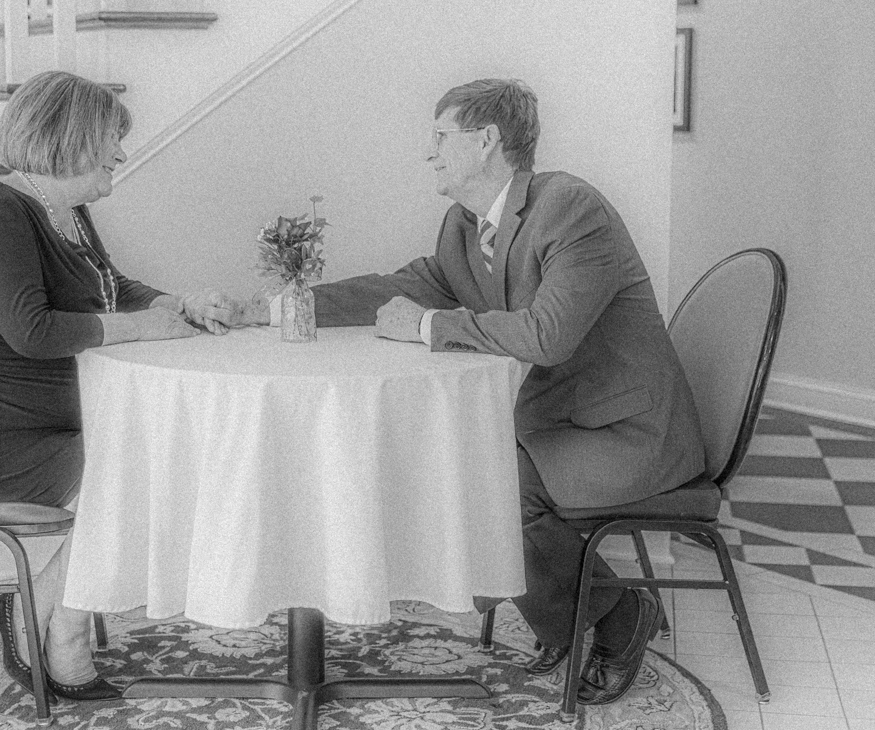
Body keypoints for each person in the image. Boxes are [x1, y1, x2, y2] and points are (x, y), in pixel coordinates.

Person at [235, 78, 704, 706]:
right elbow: (402, 287)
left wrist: (428, 326)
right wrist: (276, 307)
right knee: (465, 474)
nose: (429, 153)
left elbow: (547, 334)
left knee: (487, 490)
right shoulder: (462, 226)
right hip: (561, 426)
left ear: (485, 141)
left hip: (631, 434)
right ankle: (571, 617)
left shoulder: (571, 209)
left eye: (440, 137)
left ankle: (620, 620)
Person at [0, 71, 234, 702]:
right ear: (73, 138)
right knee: (133, 469)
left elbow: (112, 289)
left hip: (38, 427)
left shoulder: (67, 213)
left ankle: (43, 613)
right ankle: (60, 631)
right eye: (113, 137)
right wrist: (144, 330)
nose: (121, 152)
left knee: (154, 458)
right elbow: (32, 330)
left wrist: (182, 304)